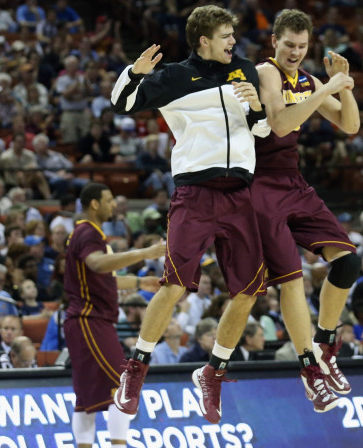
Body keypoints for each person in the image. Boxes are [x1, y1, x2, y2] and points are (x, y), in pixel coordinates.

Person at [111, 5, 272, 426]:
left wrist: (257, 108)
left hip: (239, 192)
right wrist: (135, 72)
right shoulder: (176, 77)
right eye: (225, 36)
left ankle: (213, 372)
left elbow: (262, 132)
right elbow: (122, 103)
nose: (232, 42)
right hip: (196, 192)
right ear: (203, 40)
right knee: (175, 283)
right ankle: (136, 369)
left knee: (249, 290)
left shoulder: (246, 72)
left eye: (232, 36)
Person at [251, 8, 361, 412]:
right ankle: (309, 372)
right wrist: (324, 89)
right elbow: (280, 124)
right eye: (289, 45)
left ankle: (326, 344)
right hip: (259, 184)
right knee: (291, 279)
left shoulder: (310, 80)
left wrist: (343, 87)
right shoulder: (266, 72)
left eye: (302, 46)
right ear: (275, 42)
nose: (296, 52)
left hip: (293, 182)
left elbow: (350, 126)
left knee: (348, 263)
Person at [63, 183, 165, 448]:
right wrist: (145, 253)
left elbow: (106, 278)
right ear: (95, 203)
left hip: (89, 319)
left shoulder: (87, 233)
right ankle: (119, 444)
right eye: (109, 200)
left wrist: (140, 283)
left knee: (86, 398)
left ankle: (84, 444)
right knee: (124, 386)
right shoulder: (88, 231)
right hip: (88, 318)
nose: (114, 205)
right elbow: (97, 263)